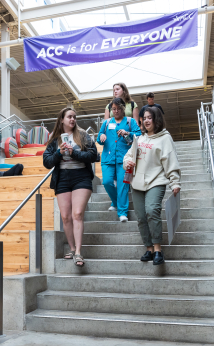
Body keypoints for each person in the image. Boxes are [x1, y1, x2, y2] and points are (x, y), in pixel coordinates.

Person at [123, 107, 180, 265]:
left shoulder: (165, 138)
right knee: (141, 217)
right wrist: (127, 162)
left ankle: (157, 250)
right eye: (144, 118)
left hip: (156, 181)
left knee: (152, 211)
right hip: (137, 183)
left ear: (157, 120)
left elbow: (171, 161)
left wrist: (175, 182)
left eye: (150, 118)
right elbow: (128, 155)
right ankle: (148, 249)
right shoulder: (139, 139)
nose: (146, 121)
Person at [43, 107, 98, 267]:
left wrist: (73, 152)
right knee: (66, 217)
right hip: (62, 179)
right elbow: (47, 162)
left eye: (74, 117)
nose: (73, 119)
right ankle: (72, 249)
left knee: (78, 213)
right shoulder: (54, 140)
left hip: (81, 176)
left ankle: (79, 252)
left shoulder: (83, 136)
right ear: (62, 120)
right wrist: (59, 153)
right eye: (69, 117)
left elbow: (93, 155)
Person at [97, 98, 142, 222]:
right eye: (114, 109)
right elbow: (98, 139)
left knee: (123, 185)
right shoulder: (106, 123)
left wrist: (128, 133)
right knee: (106, 182)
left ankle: (122, 212)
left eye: (119, 109)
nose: (116, 111)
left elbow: (139, 135)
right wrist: (101, 136)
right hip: (107, 158)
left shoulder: (130, 121)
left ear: (123, 108)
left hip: (125, 159)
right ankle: (115, 202)